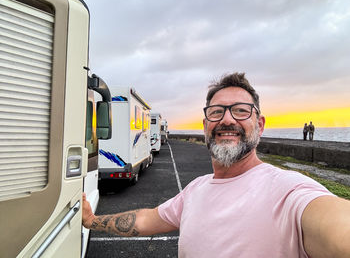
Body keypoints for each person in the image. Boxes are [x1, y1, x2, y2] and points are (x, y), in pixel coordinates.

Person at [83, 72, 350, 258]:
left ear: (260, 125)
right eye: (216, 111)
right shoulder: (195, 190)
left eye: (242, 110)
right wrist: (92, 220)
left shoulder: (289, 190)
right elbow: (146, 219)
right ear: (205, 125)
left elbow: (336, 228)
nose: (227, 119)